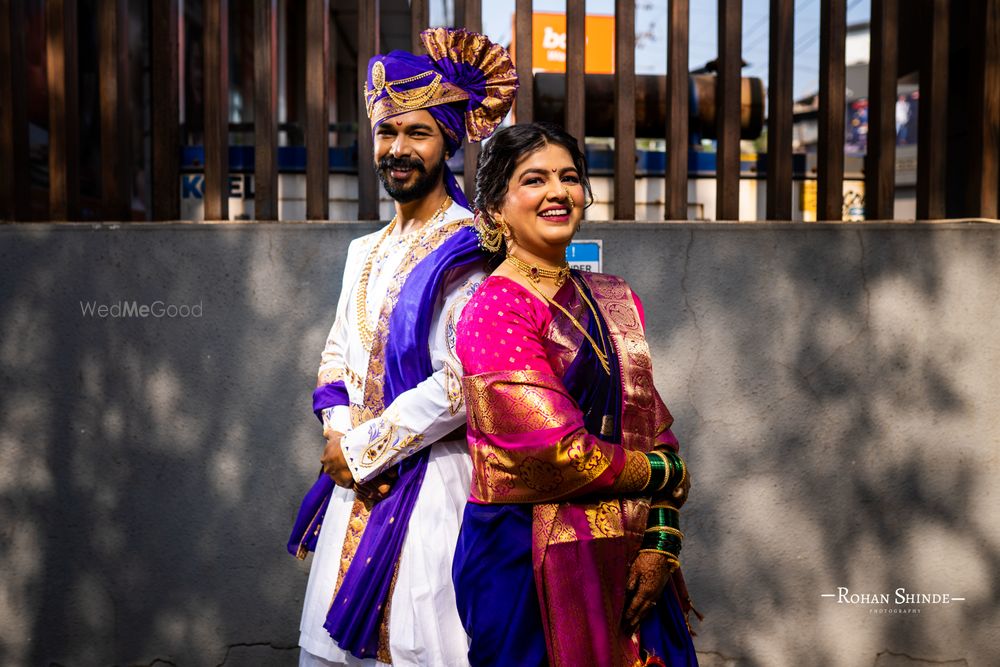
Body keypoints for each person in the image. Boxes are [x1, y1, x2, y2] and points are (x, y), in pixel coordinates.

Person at [288, 28, 517, 667]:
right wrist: (340, 437)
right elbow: (336, 353)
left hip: (432, 488)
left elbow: (462, 380)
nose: (397, 149)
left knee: (422, 646)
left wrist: (363, 449)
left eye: (416, 132)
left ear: (448, 139)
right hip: (352, 484)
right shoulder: (364, 250)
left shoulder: (476, 246)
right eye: (387, 133)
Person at [452, 122, 699, 667]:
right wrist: (666, 475)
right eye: (534, 179)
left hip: (630, 549)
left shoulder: (613, 296)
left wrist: (662, 536)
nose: (558, 192)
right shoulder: (494, 311)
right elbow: (557, 454)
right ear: (495, 208)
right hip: (527, 557)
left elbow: (653, 426)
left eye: (569, 177)